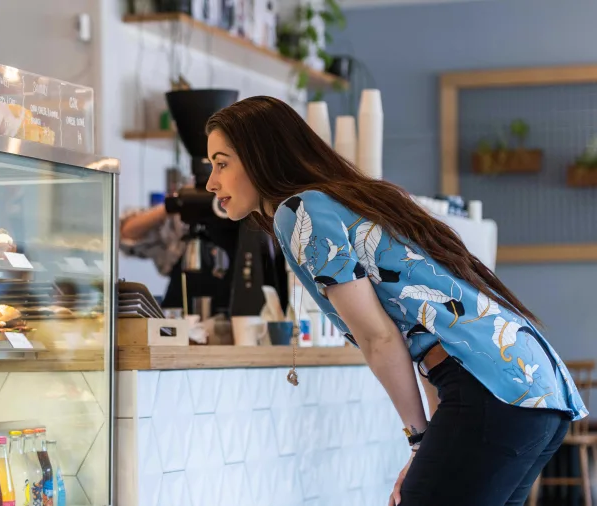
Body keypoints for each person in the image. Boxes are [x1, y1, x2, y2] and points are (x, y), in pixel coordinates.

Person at [203, 96, 587, 506]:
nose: (211, 182)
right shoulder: (346, 200)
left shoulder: (299, 213)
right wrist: (431, 441)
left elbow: (379, 338)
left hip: (492, 392)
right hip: (535, 389)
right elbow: (426, 329)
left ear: (262, 155)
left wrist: (421, 441)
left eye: (222, 163)